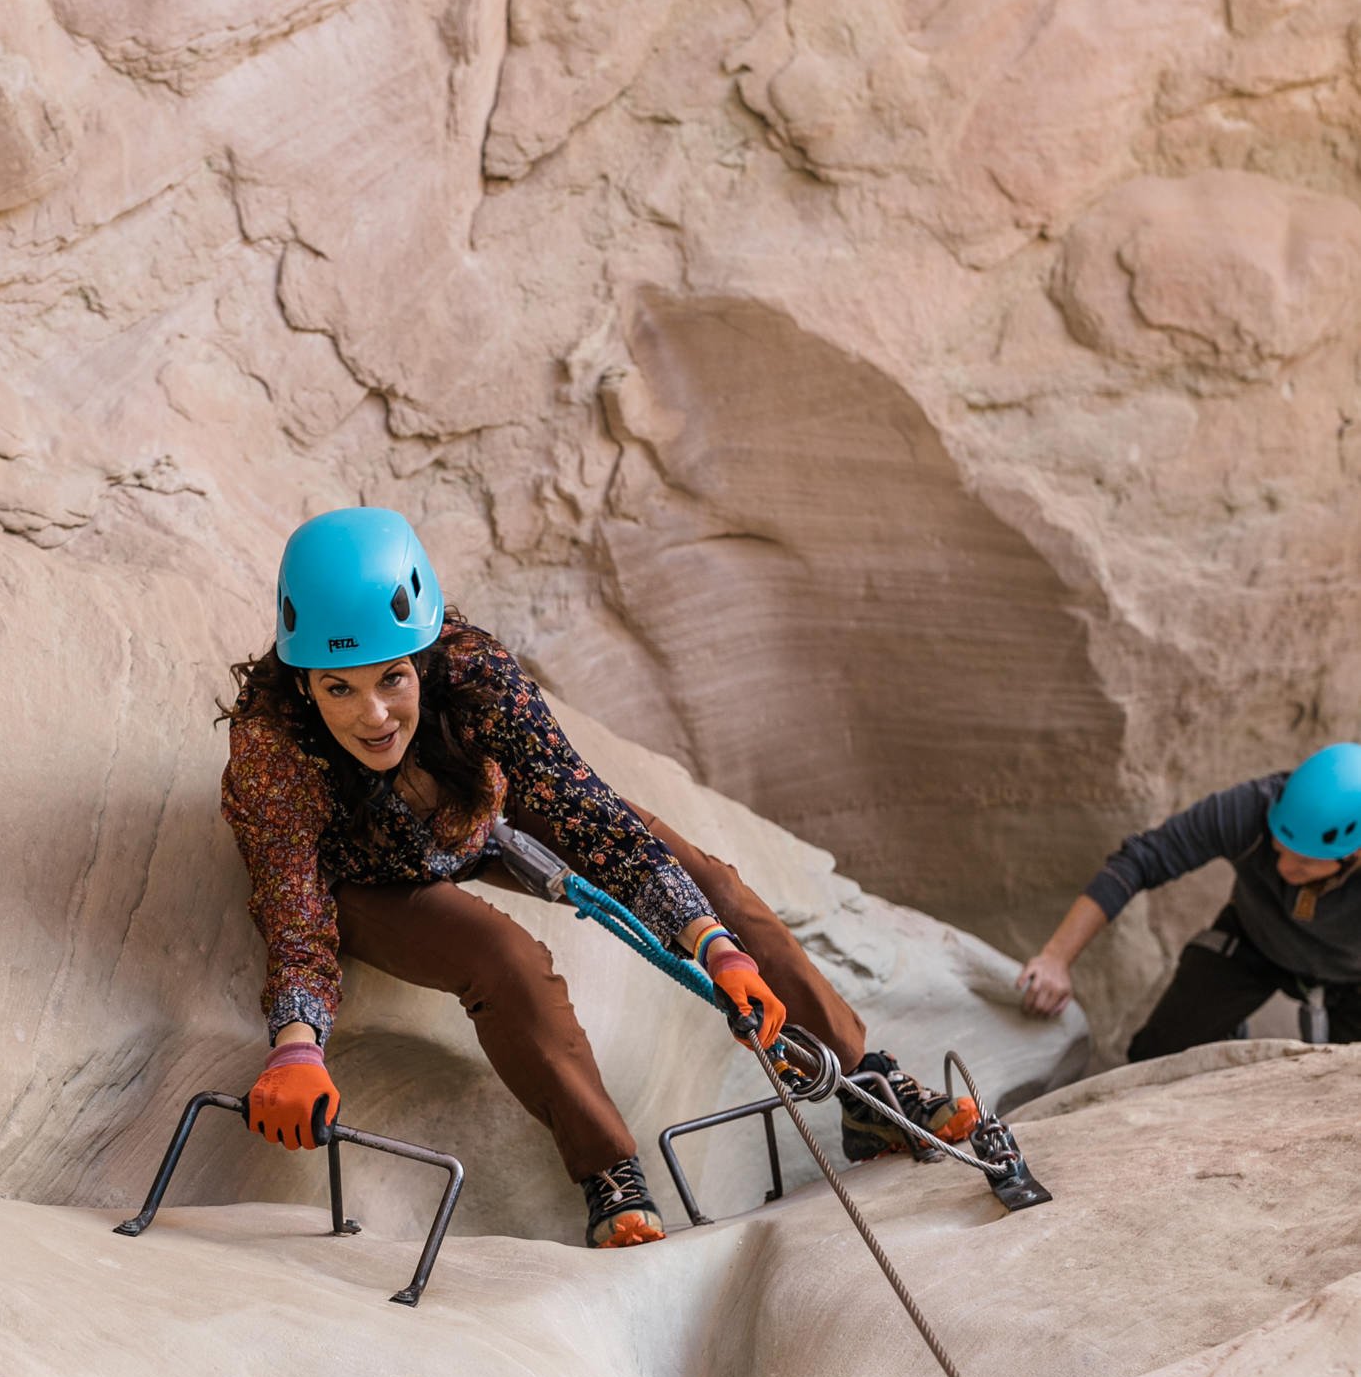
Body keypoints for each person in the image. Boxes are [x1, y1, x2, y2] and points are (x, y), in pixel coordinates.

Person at [220, 508, 977, 1247]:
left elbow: (583, 807)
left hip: (477, 815)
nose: (374, 715)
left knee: (706, 886)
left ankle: (865, 1087)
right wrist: (296, 1045)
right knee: (505, 961)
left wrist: (713, 945)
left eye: (392, 679)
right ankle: (610, 1176)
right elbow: (293, 904)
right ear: (302, 684)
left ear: (423, 659)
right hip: (371, 875)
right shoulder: (272, 750)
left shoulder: (476, 673)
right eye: (338, 689)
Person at [1018, 745, 1361, 1056]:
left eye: (1304, 862)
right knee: (1155, 1059)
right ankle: (1222, 1036)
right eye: (1278, 851)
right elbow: (1140, 860)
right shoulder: (1254, 810)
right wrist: (1055, 958)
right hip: (1256, 943)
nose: (1285, 867)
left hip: (1352, 978)